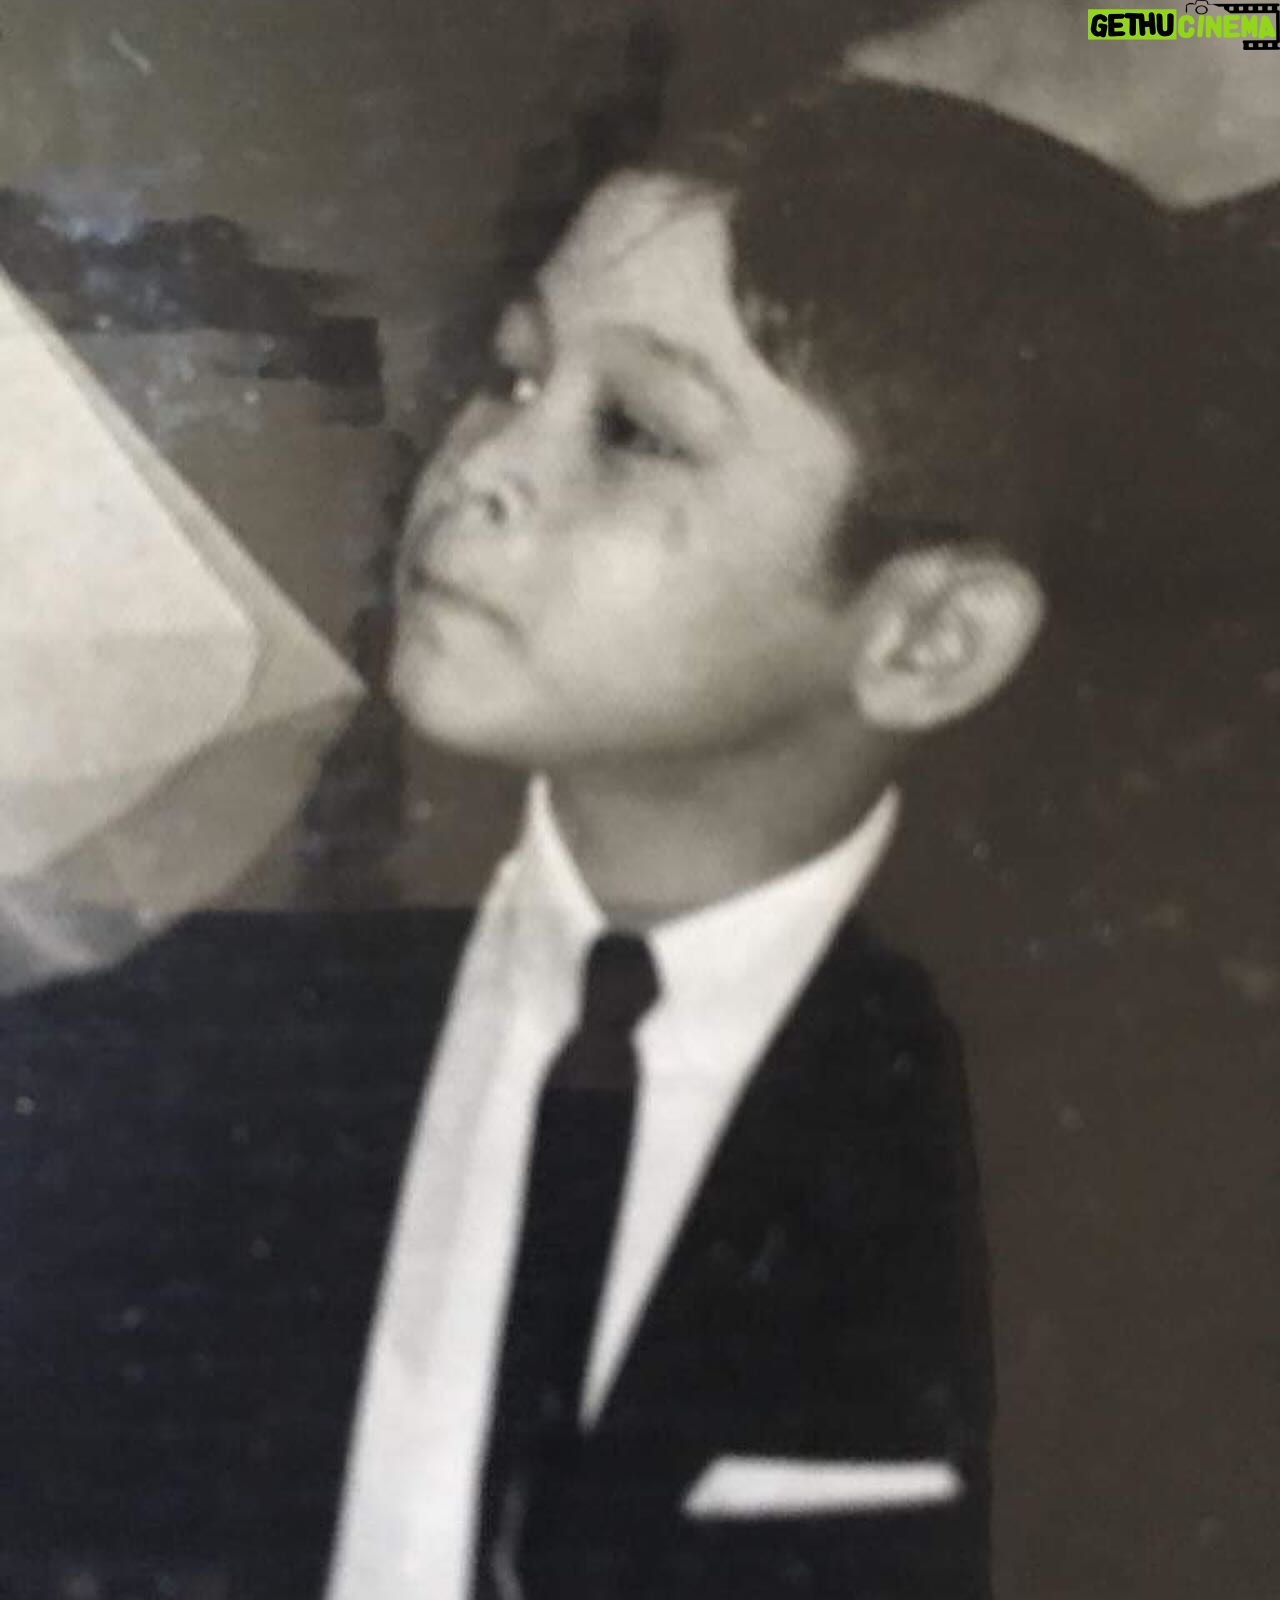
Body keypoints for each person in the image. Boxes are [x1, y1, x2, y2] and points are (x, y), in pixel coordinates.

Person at [0, 80, 1161, 1600]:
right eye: (516, 371)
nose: (481, 463)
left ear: (929, 636)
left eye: (634, 432)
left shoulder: (1096, 1191)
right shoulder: (169, 1048)